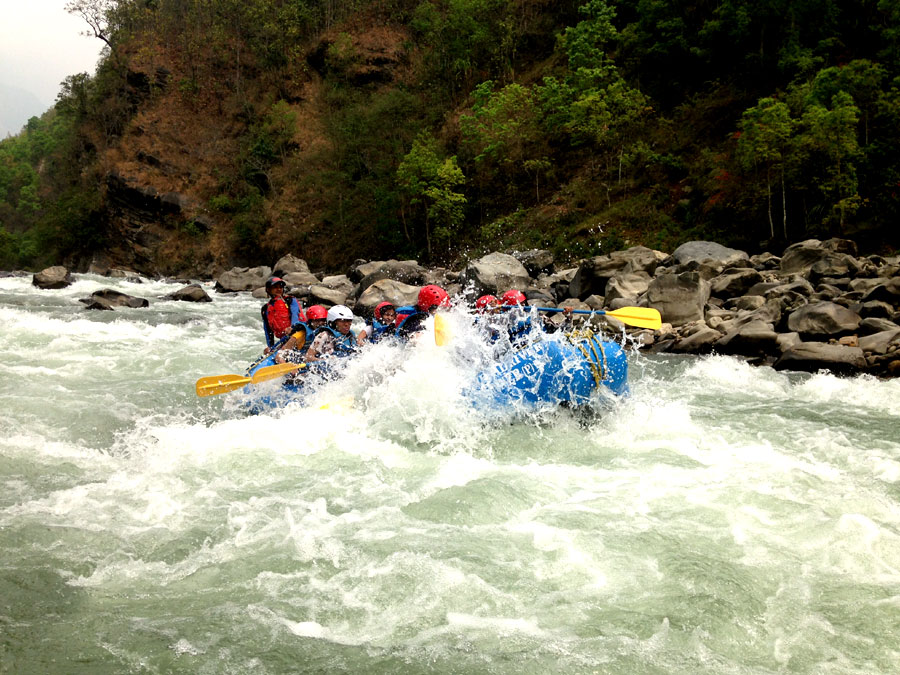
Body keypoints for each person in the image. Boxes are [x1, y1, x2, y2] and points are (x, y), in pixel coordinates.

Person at [261, 277, 303, 350]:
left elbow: (295, 315)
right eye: (275, 287)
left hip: (298, 335)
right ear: (268, 290)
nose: (279, 289)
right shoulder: (265, 309)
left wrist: (292, 328)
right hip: (284, 340)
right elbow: (268, 330)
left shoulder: (290, 300)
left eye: (281, 287)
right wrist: (270, 347)